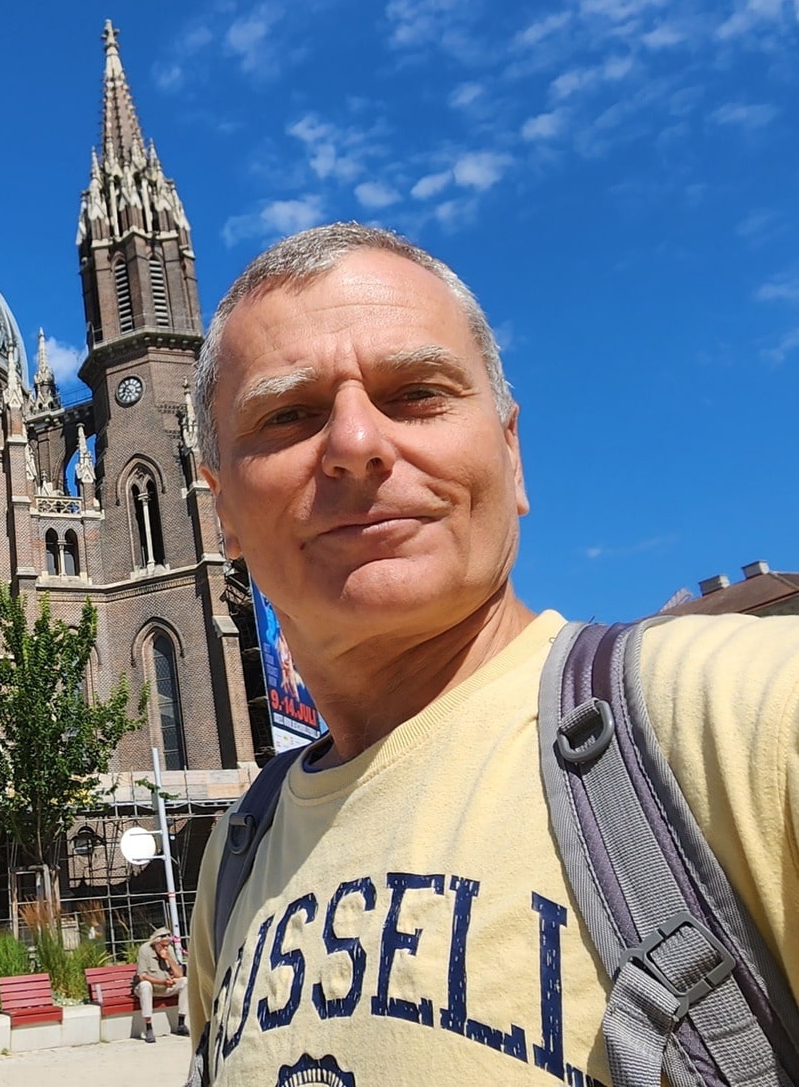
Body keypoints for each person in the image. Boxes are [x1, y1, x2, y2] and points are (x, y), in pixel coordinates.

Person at [186, 222, 799, 1085]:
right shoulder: (234, 862)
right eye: (289, 415)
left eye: (417, 394)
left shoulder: (737, 718)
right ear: (219, 514)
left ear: (511, 455)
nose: (357, 445)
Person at [134, 927, 190, 1043]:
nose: (166, 948)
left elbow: (179, 974)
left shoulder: (169, 949)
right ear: (156, 943)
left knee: (185, 981)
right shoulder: (145, 949)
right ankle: (149, 1028)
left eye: (167, 945)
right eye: (163, 945)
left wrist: (168, 958)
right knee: (145, 985)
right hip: (151, 987)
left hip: (166, 987)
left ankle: (181, 1023)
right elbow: (142, 976)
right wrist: (162, 982)